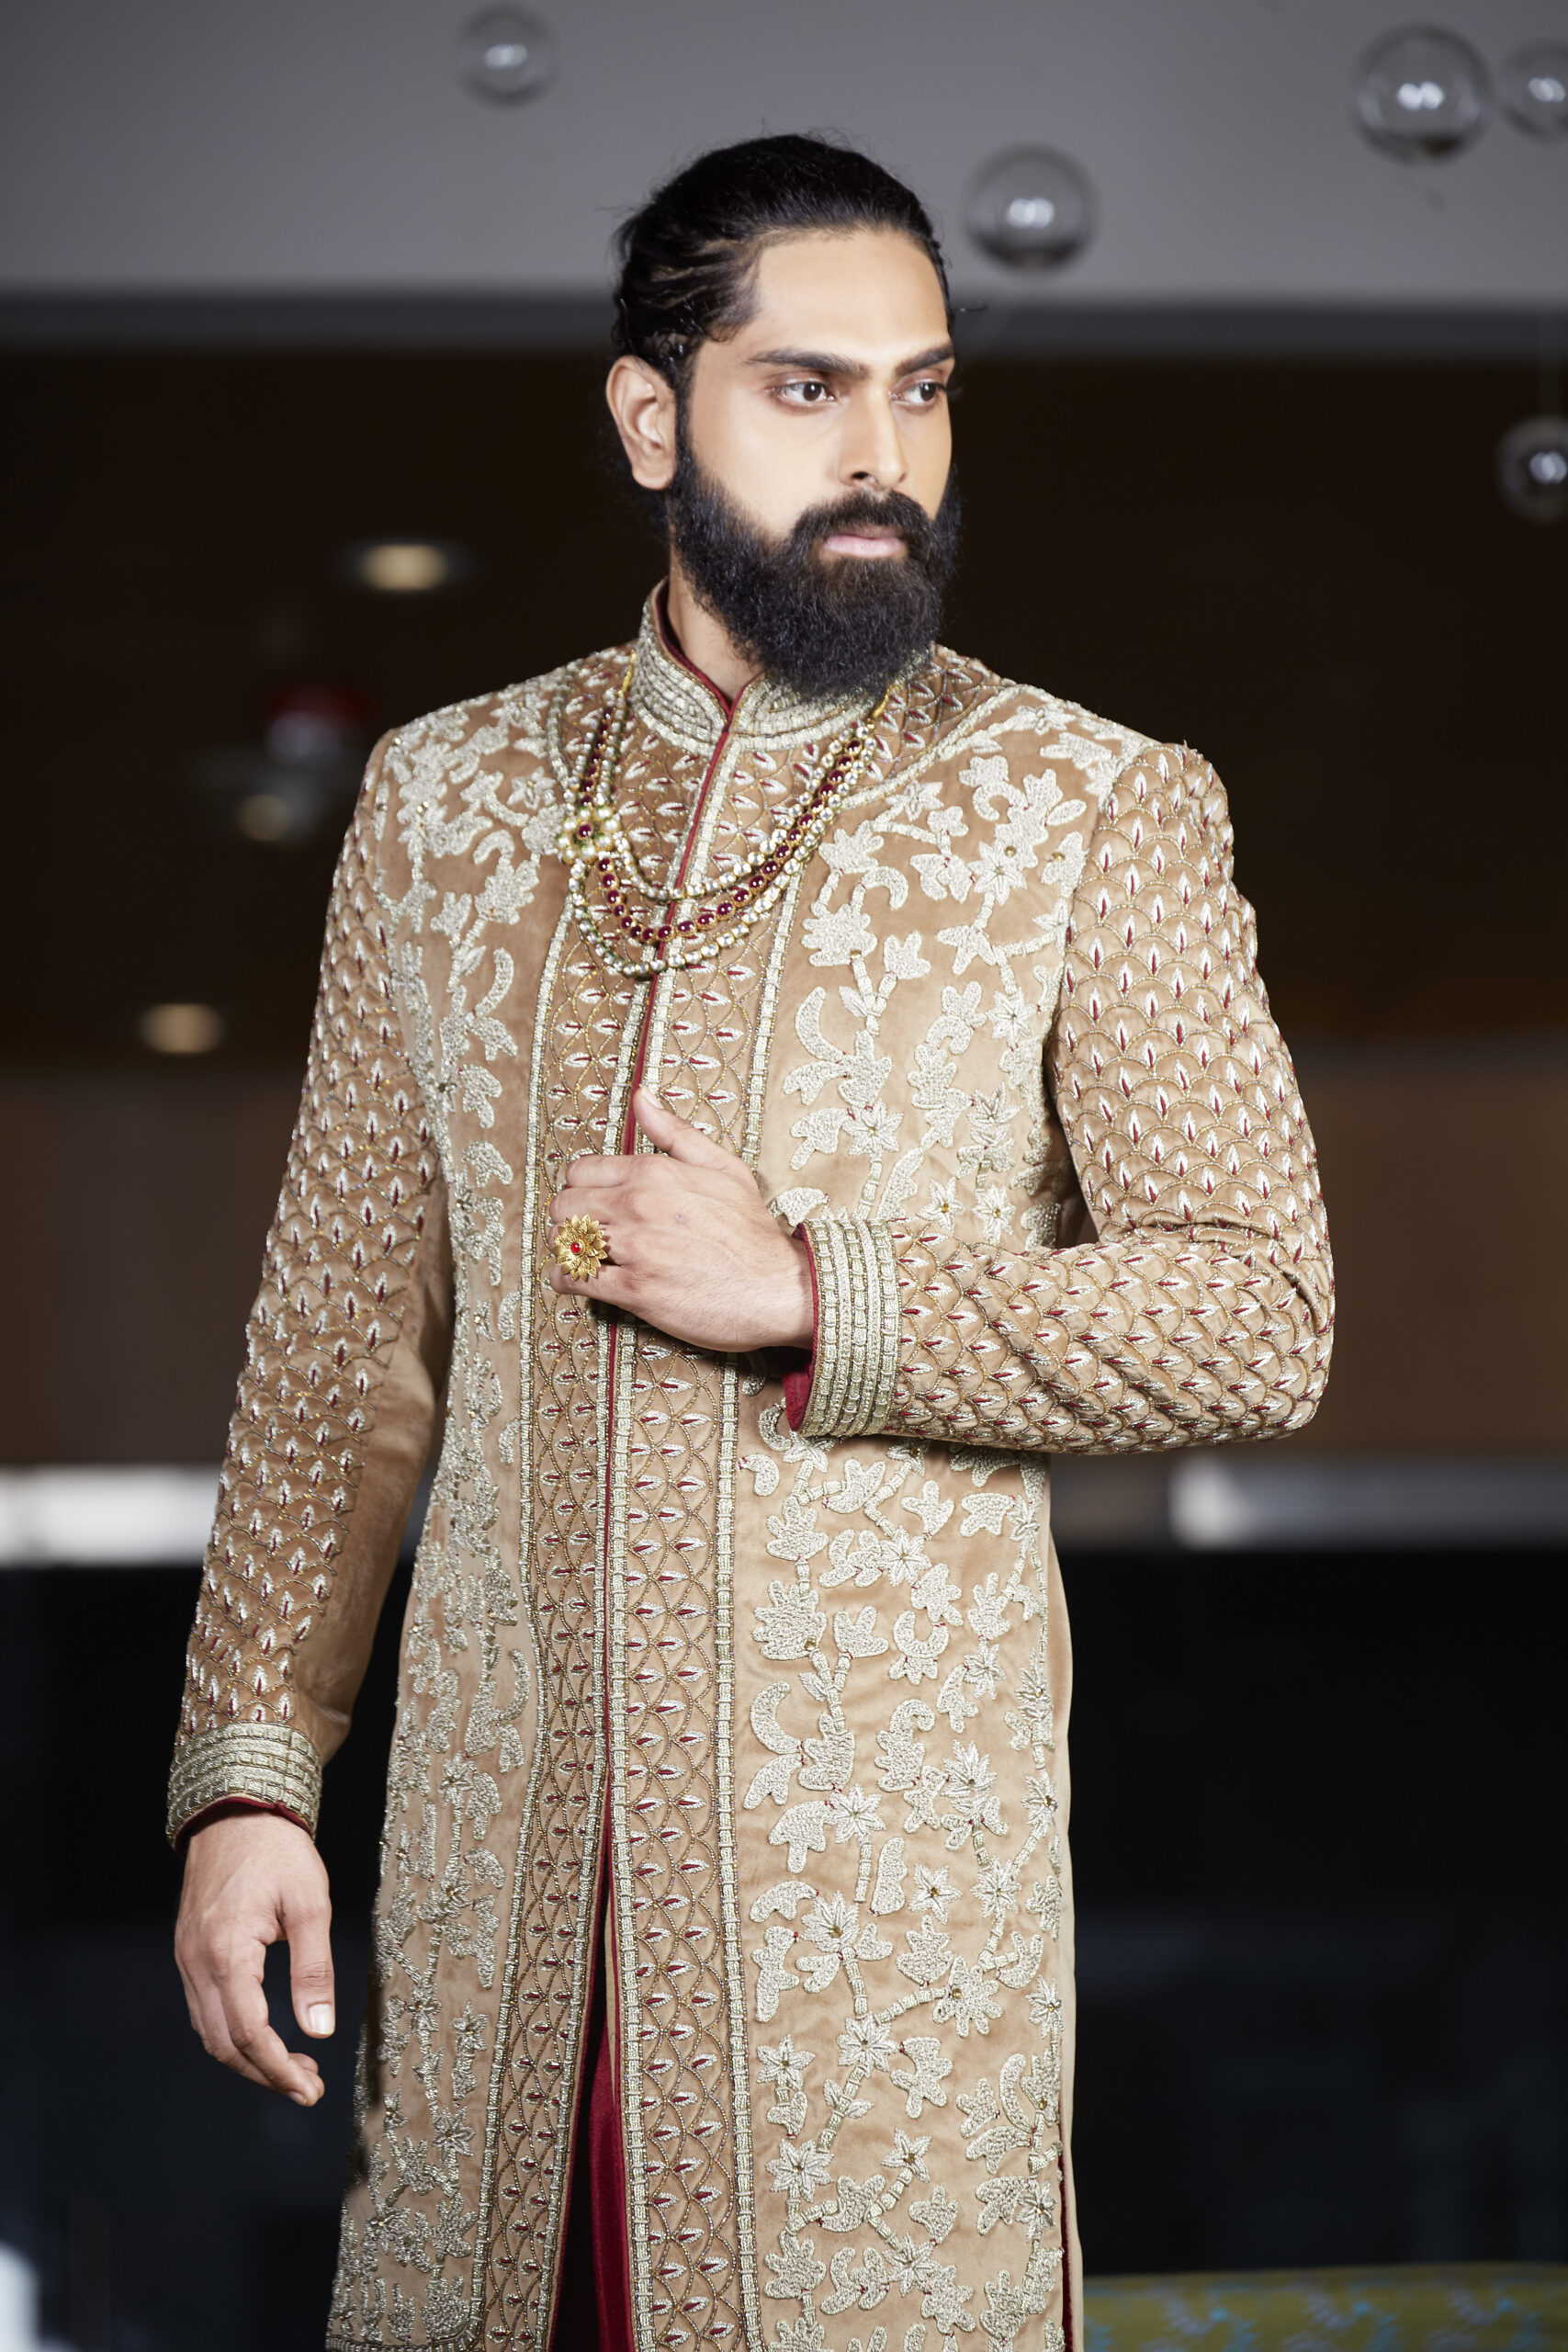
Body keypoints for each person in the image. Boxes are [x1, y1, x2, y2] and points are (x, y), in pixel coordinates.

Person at [170, 133, 1333, 2352]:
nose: (881, 452)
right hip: (496, 1918)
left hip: (877, 1953)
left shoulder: (1084, 805)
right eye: (807, 388)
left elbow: (1256, 1312)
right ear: (650, 417)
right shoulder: (444, 804)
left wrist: (816, 1288)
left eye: (923, 389)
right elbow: (341, 1342)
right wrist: (249, 1779)